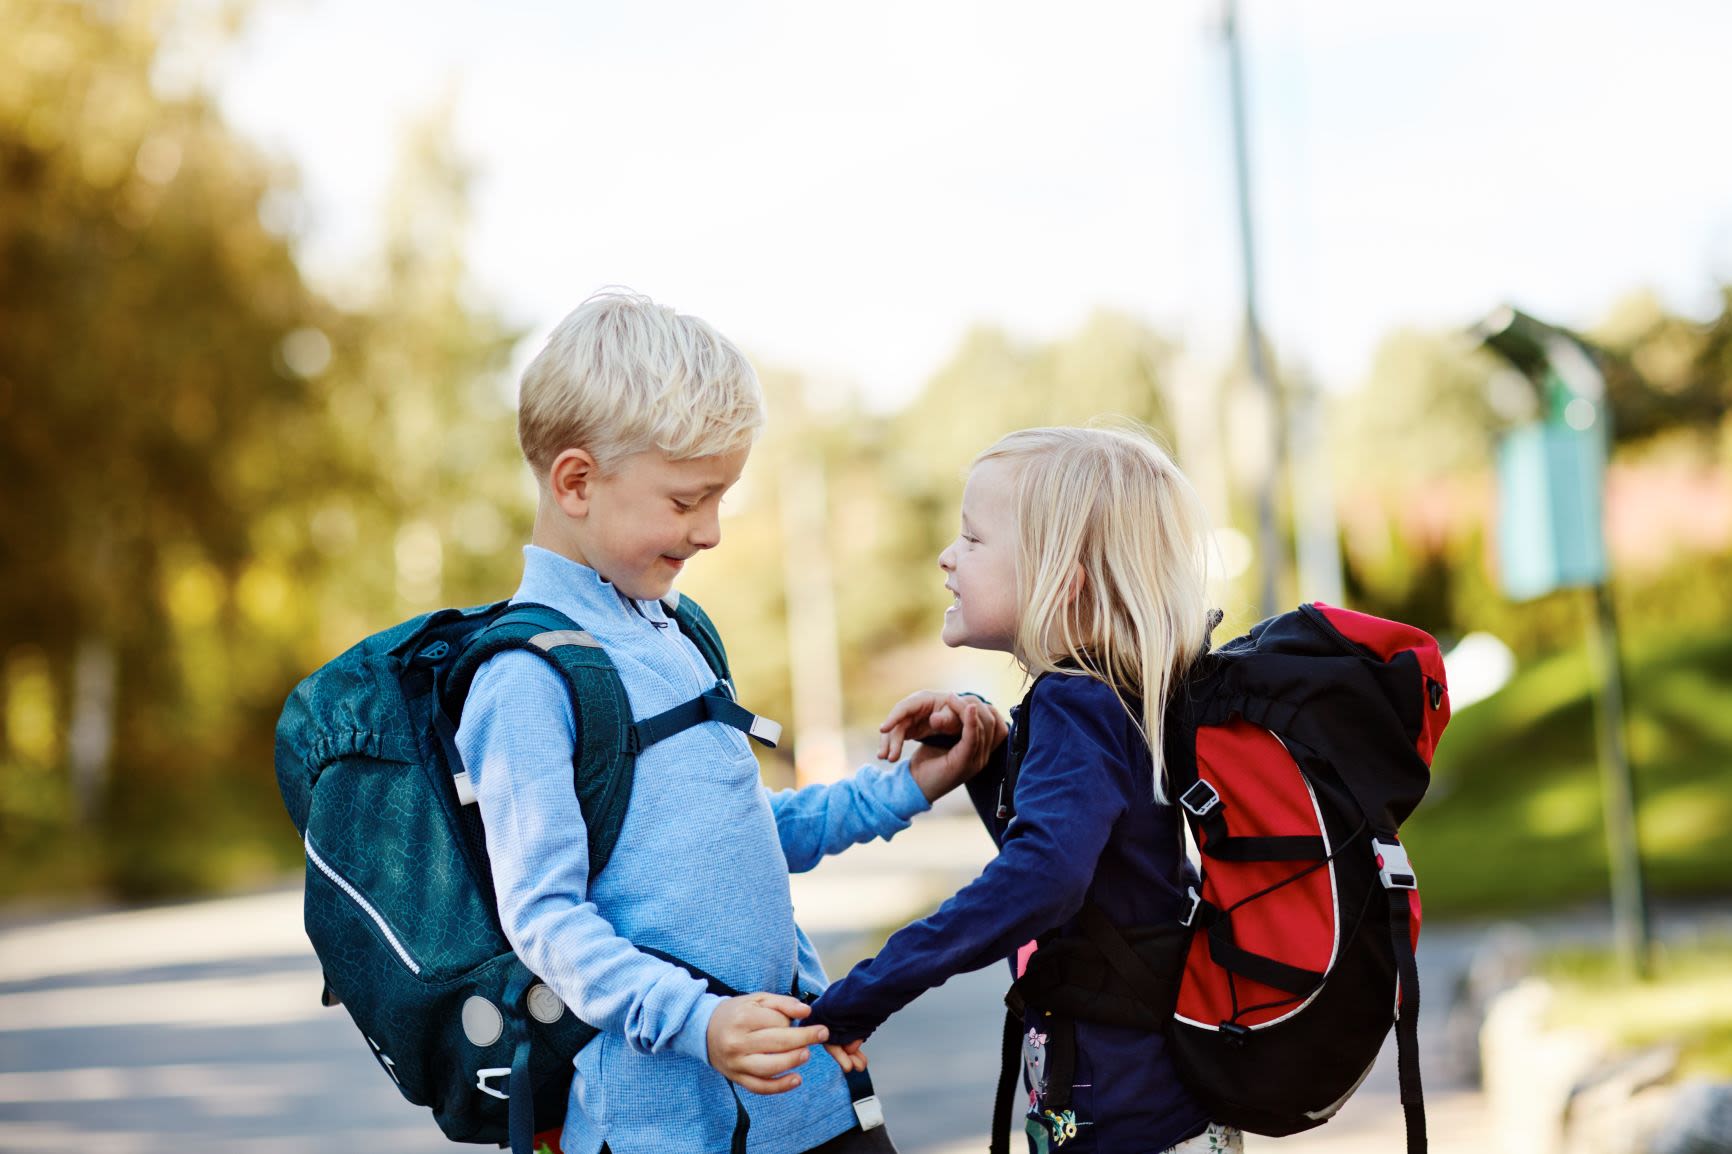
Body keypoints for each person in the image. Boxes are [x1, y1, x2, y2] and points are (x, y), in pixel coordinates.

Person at [455, 289, 1003, 1154]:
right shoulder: (525, 678)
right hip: (672, 1127)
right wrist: (700, 1024)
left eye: (722, 498)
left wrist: (903, 789)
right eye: (686, 500)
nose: (710, 531)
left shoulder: (674, 632)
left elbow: (740, 834)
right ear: (576, 481)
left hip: (807, 1095)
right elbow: (546, 919)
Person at [810, 426, 1244, 1154]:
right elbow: (1082, 866)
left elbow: (1041, 879)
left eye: (974, 540)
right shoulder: (1114, 695)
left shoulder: (1077, 702)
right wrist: (987, 755)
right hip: (1153, 1109)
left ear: (1061, 578)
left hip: (1130, 1124)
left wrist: (861, 996)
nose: (948, 558)